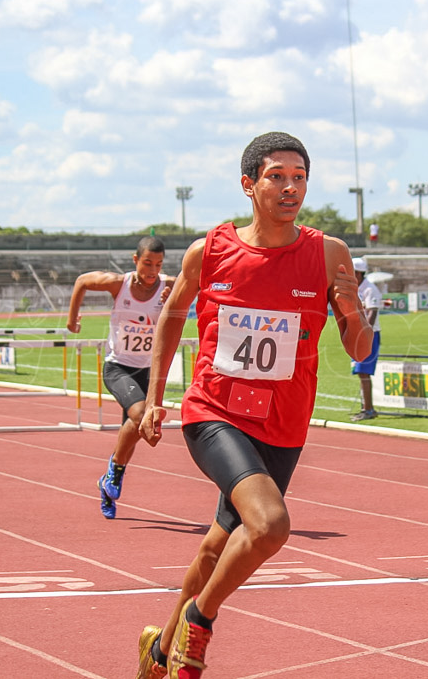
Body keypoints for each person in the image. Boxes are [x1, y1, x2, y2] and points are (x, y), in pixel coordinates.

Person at [135, 132, 372, 679]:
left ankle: (156, 653)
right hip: (215, 412)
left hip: (284, 425)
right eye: (277, 176)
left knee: (218, 547)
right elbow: (170, 320)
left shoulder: (329, 253)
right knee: (268, 527)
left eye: (299, 177)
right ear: (248, 184)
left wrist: (354, 310)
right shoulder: (210, 249)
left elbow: (358, 350)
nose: (290, 187)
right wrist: (154, 399)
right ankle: (199, 624)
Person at [66, 237, 173, 520]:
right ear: (135, 260)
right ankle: (115, 471)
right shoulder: (118, 284)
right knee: (140, 416)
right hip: (119, 368)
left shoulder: (167, 284)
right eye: (147, 263)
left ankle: (108, 483)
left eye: (158, 265)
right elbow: (82, 282)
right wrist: (72, 318)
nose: (152, 271)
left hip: (148, 371)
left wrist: (173, 294)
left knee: (144, 430)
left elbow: (200, 281)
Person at [349, 257, 382, 422]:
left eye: (352, 271)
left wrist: (365, 332)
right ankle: (365, 407)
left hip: (369, 334)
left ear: (359, 273)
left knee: (363, 372)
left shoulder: (370, 289)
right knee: (360, 372)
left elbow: (372, 312)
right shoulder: (355, 287)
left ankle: (368, 409)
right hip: (358, 333)